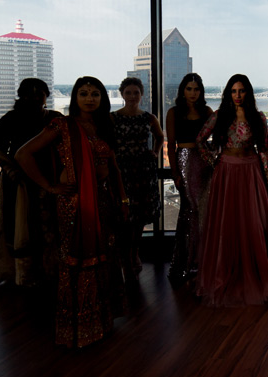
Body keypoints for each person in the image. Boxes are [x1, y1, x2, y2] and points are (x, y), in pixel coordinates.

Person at [16, 76, 127, 347]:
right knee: (78, 258)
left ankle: (99, 319)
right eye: (84, 93)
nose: (90, 98)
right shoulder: (62, 125)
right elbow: (23, 154)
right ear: (75, 98)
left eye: (95, 94)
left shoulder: (103, 126)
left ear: (103, 99)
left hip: (102, 200)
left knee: (102, 255)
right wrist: (50, 186)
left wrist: (121, 200)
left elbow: (112, 166)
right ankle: (76, 323)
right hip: (74, 203)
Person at [196, 74, 268, 307]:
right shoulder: (220, 116)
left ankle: (256, 273)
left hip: (250, 172)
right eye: (234, 91)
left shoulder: (258, 118)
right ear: (228, 93)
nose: (237, 95)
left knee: (251, 223)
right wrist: (214, 161)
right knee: (227, 223)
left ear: (248, 93)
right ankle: (225, 274)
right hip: (226, 172)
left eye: (242, 91)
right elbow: (199, 141)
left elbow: (264, 151)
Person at [0, 77, 62, 288]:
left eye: (40, 93)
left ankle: (51, 270)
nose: (36, 97)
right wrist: (13, 172)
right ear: (21, 96)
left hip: (51, 177)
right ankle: (24, 274)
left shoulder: (55, 118)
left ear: (46, 96)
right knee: (21, 225)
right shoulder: (9, 120)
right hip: (19, 182)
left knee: (51, 225)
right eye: (30, 93)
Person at [112, 77, 164, 282]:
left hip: (143, 171)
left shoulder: (149, 118)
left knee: (140, 218)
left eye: (136, 93)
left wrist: (155, 152)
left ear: (142, 95)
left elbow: (160, 137)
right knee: (124, 218)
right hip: (121, 171)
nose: (132, 96)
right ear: (122, 95)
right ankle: (125, 257)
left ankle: (134, 254)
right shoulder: (112, 118)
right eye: (128, 93)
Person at [165, 73, 213, 285]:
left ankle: (204, 263)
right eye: (189, 89)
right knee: (189, 210)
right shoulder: (174, 112)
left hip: (204, 163)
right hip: (184, 161)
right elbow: (171, 146)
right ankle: (185, 262)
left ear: (201, 91)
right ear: (182, 91)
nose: (193, 93)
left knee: (204, 212)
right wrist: (175, 173)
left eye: (196, 89)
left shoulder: (207, 111)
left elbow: (217, 138)